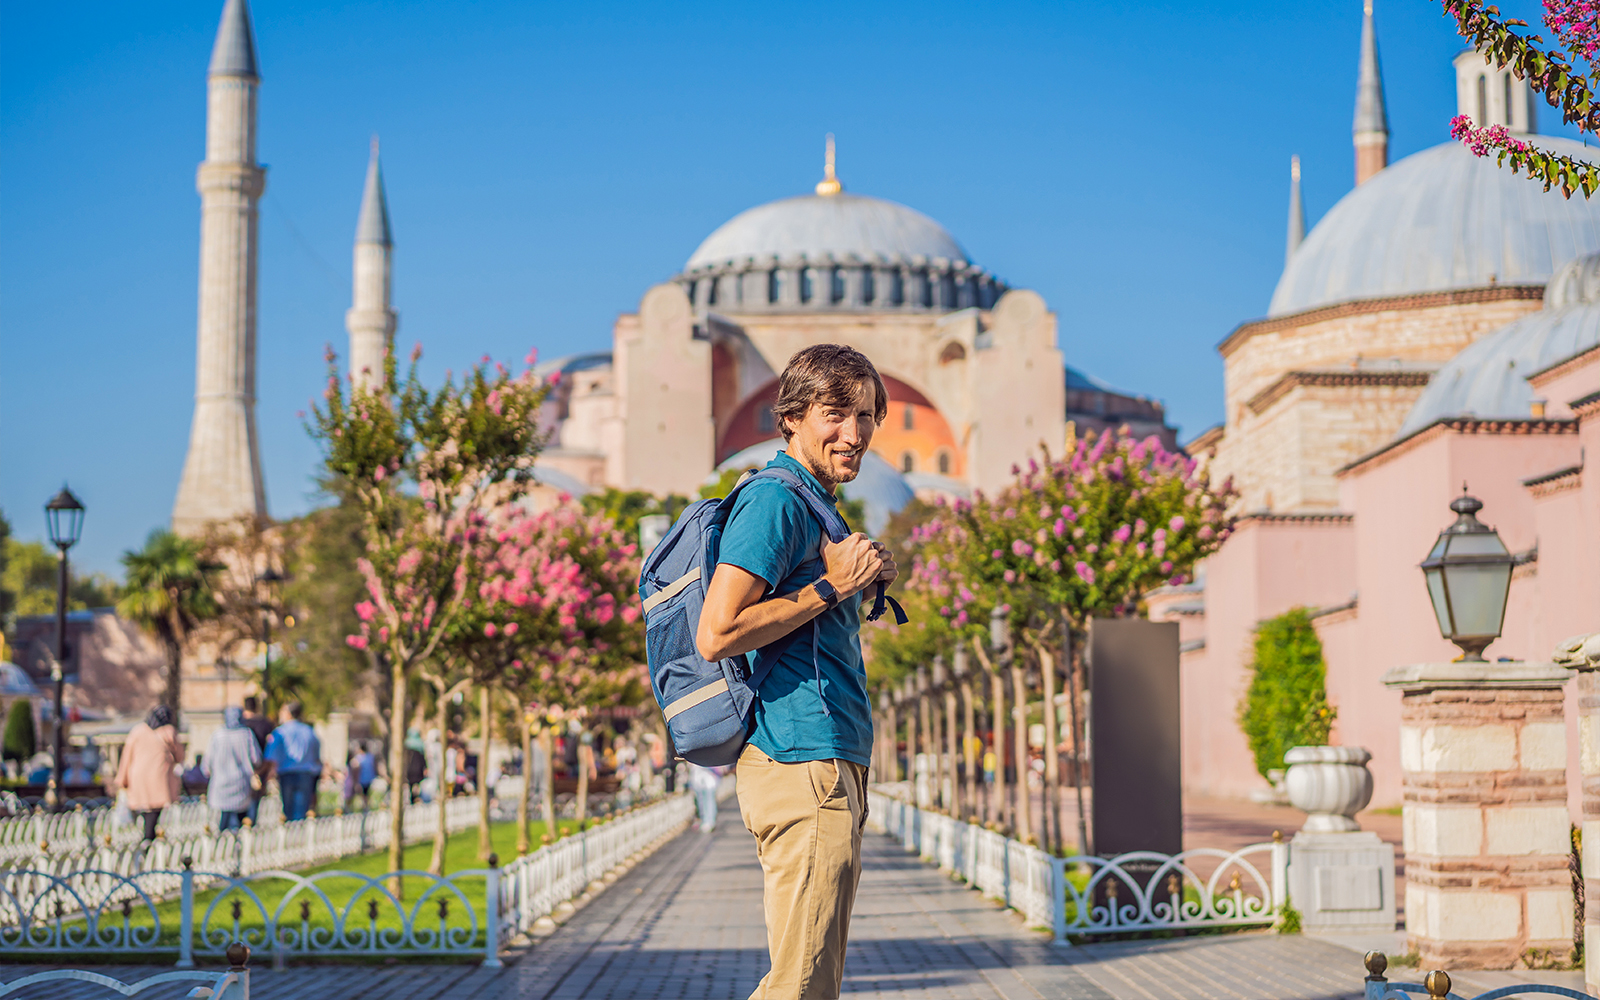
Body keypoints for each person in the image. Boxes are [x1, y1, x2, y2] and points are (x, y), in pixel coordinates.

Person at [696, 344, 896, 999]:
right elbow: (717, 633)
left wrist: (858, 578)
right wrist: (831, 588)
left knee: (812, 982)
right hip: (800, 757)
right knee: (801, 986)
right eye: (835, 413)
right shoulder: (775, 501)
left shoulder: (815, 503)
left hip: (828, 756)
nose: (854, 433)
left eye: (865, 415)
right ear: (790, 417)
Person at [114, 705, 184, 841]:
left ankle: (144, 838)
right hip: (158, 779)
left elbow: (126, 757)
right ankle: (148, 840)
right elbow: (180, 756)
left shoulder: (137, 731)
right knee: (154, 810)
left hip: (137, 778)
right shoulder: (168, 731)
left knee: (144, 809)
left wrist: (122, 780)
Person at [204, 706, 262, 831]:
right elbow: (256, 758)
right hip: (241, 782)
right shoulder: (246, 734)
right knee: (241, 820)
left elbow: (207, 763)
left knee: (224, 819)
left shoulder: (218, 735)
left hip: (221, 783)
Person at [263, 700, 322, 821]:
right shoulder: (309, 731)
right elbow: (316, 754)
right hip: (306, 773)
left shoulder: (280, 732)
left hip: (287, 773)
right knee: (301, 810)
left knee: (288, 810)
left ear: (289, 713)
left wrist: (269, 773)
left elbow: (271, 756)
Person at [688, 762, 723, 833]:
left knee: (709, 799)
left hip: (709, 775)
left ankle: (709, 821)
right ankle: (704, 820)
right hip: (699, 775)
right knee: (701, 800)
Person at [403, 728, 427, 803]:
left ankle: (412, 799)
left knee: (410, 786)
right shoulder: (420, 744)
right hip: (418, 770)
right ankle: (416, 798)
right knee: (417, 787)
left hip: (410, 770)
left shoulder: (406, 744)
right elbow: (423, 759)